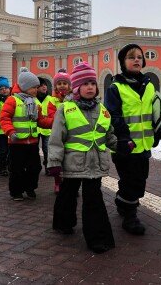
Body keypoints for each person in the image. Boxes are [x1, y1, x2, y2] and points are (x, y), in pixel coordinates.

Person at [47, 61, 117, 254]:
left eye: (93, 83)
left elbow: (108, 135)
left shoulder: (103, 110)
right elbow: (56, 139)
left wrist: (122, 146)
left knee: (93, 200)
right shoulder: (66, 109)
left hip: (95, 165)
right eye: (85, 83)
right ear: (77, 87)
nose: (90, 87)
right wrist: (54, 163)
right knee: (67, 194)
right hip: (73, 163)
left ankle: (97, 238)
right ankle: (63, 222)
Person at [104, 43, 161, 235]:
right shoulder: (115, 87)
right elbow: (113, 115)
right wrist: (122, 138)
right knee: (131, 181)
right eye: (131, 57)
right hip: (124, 146)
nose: (137, 59)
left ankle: (122, 201)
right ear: (123, 62)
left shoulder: (149, 85)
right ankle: (130, 217)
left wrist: (157, 130)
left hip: (144, 144)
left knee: (140, 180)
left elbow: (153, 112)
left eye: (139, 56)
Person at [0, 67, 53, 201]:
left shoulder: (35, 102)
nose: (36, 90)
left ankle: (30, 187)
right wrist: (10, 132)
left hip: (32, 143)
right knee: (16, 169)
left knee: (35, 167)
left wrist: (54, 122)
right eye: (33, 87)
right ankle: (16, 191)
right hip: (16, 142)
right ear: (24, 87)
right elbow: (4, 118)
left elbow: (40, 120)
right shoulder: (12, 100)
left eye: (37, 87)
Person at [43, 68, 72, 193]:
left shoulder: (73, 99)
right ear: (55, 86)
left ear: (69, 85)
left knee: (71, 161)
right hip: (57, 135)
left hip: (71, 134)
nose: (62, 86)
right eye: (59, 84)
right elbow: (51, 116)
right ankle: (57, 183)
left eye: (64, 83)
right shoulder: (51, 100)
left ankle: (71, 184)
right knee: (57, 160)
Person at [0, 76, 11, 176]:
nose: (4, 90)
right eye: (1, 89)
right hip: (1, 131)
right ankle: (2, 167)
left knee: (10, 150)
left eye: (5, 88)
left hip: (11, 130)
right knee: (3, 150)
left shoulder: (13, 100)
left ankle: (9, 165)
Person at [37, 77, 51, 176]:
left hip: (47, 129)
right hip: (36, 129)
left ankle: (47, 166)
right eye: (41, 85)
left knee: (47, 149)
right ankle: (36, 167)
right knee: (34, 149)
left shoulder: (50, 99)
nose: (44, 87)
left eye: (45, 85)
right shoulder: (32, 99)